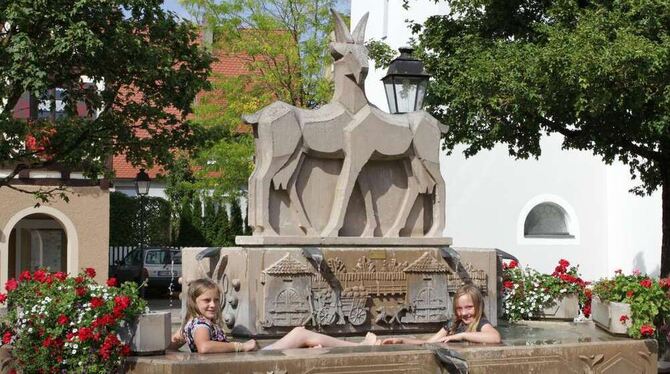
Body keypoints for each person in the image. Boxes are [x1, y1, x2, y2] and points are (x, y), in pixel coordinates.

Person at [169, 278, 378, 353]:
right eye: (206, 301)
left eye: (215, 300)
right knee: (300, 332)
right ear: (193, 302)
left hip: (250, 357)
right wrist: (240, 346)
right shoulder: (200, 325)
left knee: (304, 339)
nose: (213, 305)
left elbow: (174, 342)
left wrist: (174, 344)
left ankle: (320, 347)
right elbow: (205, 347)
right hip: (251, 359)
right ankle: (359, 347)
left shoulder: (192, 323)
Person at [382, 284, 501, 345]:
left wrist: (461, 335)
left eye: (469, 307)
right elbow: (428, 343)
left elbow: (495, 337)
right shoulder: (453, 325)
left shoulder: (481, 323)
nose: (464, 313)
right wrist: (401, 341)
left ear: (479, 306)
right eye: (459, 308)